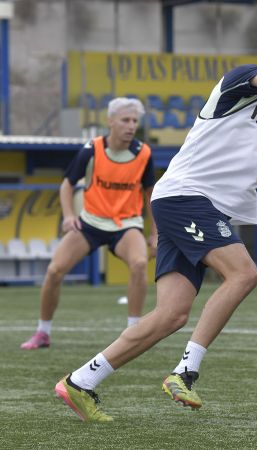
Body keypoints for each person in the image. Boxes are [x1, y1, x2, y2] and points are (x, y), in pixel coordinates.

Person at [54, 29, 257, 422]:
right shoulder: (242, 79)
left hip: (189, 204)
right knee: (244, 274)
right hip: (188, 199)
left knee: (171, 314)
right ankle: (185, 371)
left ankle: (80, 382)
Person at [20, 98, 157, 350]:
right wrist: (69, 215)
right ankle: (43, 332)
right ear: (111, 121)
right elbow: (66, 185)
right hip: (90, 223)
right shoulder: (91, 149)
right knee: (54, 271)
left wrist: (155, 233)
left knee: (139, 263)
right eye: (125, 120)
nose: (131, 126)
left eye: (135, 121)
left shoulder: (144, 153)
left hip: (126, 225)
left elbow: (150, 194)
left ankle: (133, 332)